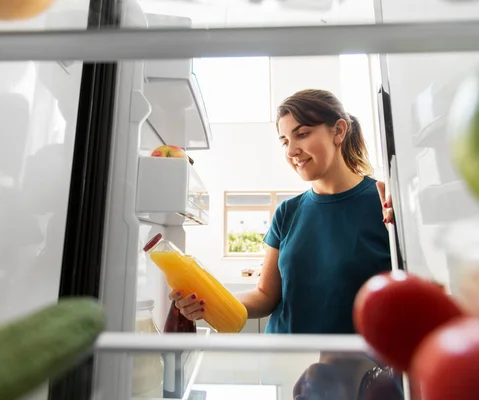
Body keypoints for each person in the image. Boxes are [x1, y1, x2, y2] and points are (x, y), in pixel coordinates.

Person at [169, 89, 394, 334]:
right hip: (283, 362)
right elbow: (265, 296)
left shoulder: (384, 202)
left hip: (355, 366)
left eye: (303, 134)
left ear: (339, 131)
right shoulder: (288, 211)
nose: (291, 151)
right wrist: (207, 302)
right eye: (285, 141)